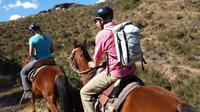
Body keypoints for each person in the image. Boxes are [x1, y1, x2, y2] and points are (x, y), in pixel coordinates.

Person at [80, 6, 136, 112]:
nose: (95, 23)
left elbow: (96, 60)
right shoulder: (121, 28)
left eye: (95, 20)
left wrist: (92, 64)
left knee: (84, 92)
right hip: (131, 69)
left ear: (101, 20)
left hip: (116, 73)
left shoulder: (103, 34)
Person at [20, 23, 55, 99]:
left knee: (23, 72)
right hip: (50, 60)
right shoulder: (48, 37)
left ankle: (28, 91)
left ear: (33, 31)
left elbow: (31, 54)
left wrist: (36, 55)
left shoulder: (32, 39)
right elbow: (52, 50)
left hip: (38, 61)